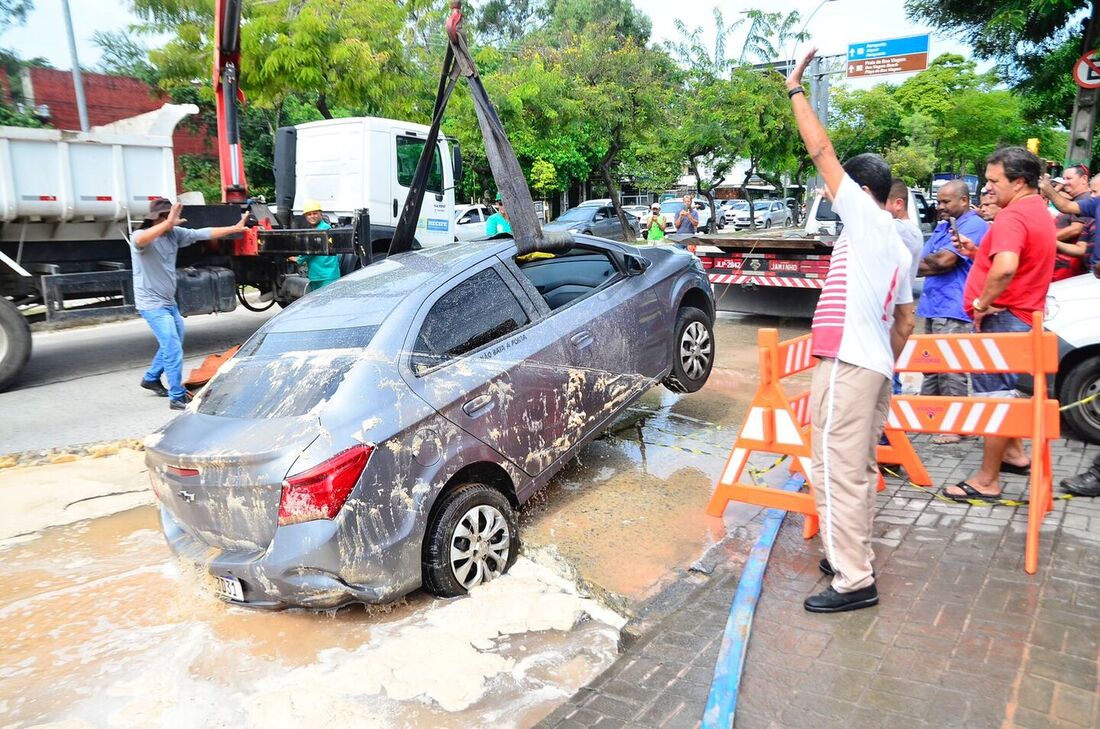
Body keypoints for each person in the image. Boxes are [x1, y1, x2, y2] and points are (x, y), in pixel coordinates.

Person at [786, 49, 915, 613]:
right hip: (869, 365)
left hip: (847, 365)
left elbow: (821, 150)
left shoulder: (864, 220)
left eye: (836, 189)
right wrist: (882, 364)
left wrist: (795, 89)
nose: (827, 193)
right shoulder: (893, 240)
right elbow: (905, 320)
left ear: (860, 192)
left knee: (836, 470)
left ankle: (854, 579)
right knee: (853, 467)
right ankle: (848, 553)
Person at [944, 147, 1056, 502]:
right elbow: (1016, 261)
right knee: (1006, 391)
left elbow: (1006, 267)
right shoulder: (1037, 209)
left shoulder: (1012, 217)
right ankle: (1014, 454)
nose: (988, 189)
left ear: (1018, 181)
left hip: (1003, 316)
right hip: (1022, 314)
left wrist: (981, 303)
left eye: (994, 181)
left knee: (994, 398)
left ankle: (987, 480)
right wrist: (978, 253)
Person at [132, 198, 249, 410]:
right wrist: (168, 223)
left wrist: (234, 228)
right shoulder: (141, 237)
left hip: (168, 302)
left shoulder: (174, 235)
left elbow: (203, 233)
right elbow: (140, 241)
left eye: (172, 215)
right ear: (157, 218)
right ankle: (176, 396)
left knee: (173, 341)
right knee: (172, 346)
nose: (174, 220)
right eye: (168, 215)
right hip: (151, 304)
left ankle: (151, 378)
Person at [916, 180, 989, 443]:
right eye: (939, 201)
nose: (940, 206)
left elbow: (943, 262)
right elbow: (925, 260)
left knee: (951, 368)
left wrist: (905, 267)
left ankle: (956, 426)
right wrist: (919, 265)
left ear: (964, 201)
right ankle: (928, 417)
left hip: (955, 307)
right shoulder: (945, 226)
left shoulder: (974, 225)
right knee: (930, 366)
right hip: (935, 305)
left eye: (946, 202)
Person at [1051, 164, 1092, 281]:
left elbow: (1076, 228)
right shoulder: (1077, 200)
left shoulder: (1084, 201)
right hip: (1060, 266)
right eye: (1064, 179)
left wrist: (1046, 239)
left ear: (1084, 179)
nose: (1064, 182)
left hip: (1067, 268)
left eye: (1069, 179)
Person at [294, 200, 340, 292]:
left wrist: (297, 259)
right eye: (309, 214)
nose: (312, 216)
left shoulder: (324, 229)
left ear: (321, 214)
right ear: (306, 216)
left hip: (327, 276)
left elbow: (310, 250)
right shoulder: (316, 229)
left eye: (315, 213)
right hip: (317, 275)